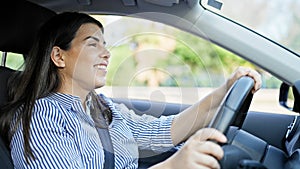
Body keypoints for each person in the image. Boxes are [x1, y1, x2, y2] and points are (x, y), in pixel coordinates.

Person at [0, 12, 261, 169]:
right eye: (93, 44)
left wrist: (224, 90)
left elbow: (162, 132)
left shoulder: (102, 107)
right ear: (59, 56)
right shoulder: (40, 117)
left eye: (105, 44)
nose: (107, 54)